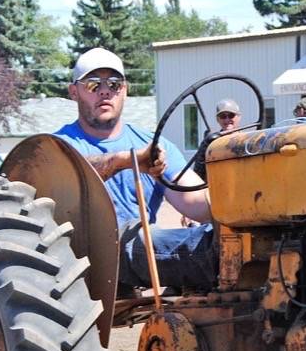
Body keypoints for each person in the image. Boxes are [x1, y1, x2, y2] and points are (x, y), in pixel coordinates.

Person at [55, 47, 216, 291]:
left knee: (225, 241)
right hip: (81, 256)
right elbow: (66, 174)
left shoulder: (153, 145)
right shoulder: (54, 147)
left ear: (125, 90)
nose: (105, 90)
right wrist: (125, 160)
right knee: (139, 239)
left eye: (114, 84)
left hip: (137, 257)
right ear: (73, 92)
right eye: (93, 84)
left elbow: (197, 203)